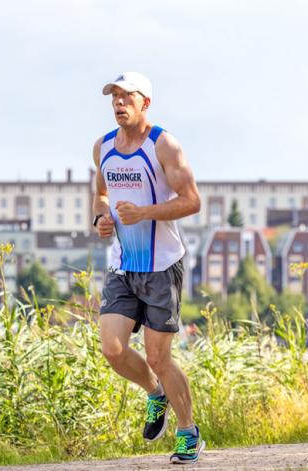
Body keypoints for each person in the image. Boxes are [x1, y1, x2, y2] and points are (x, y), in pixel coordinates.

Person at [92, 72, 203, 464]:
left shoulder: (164, 146)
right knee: (112, 348)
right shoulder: (103, 147)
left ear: (145, 104)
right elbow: (101, 195)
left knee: (159, 356)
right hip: (123, 266)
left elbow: (192, 201)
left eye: (127, 97)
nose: (119, 103)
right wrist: (102, 219)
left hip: (162, 266)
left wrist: (145, 213)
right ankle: (155, 393)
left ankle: (188, 432)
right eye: (115, 97)